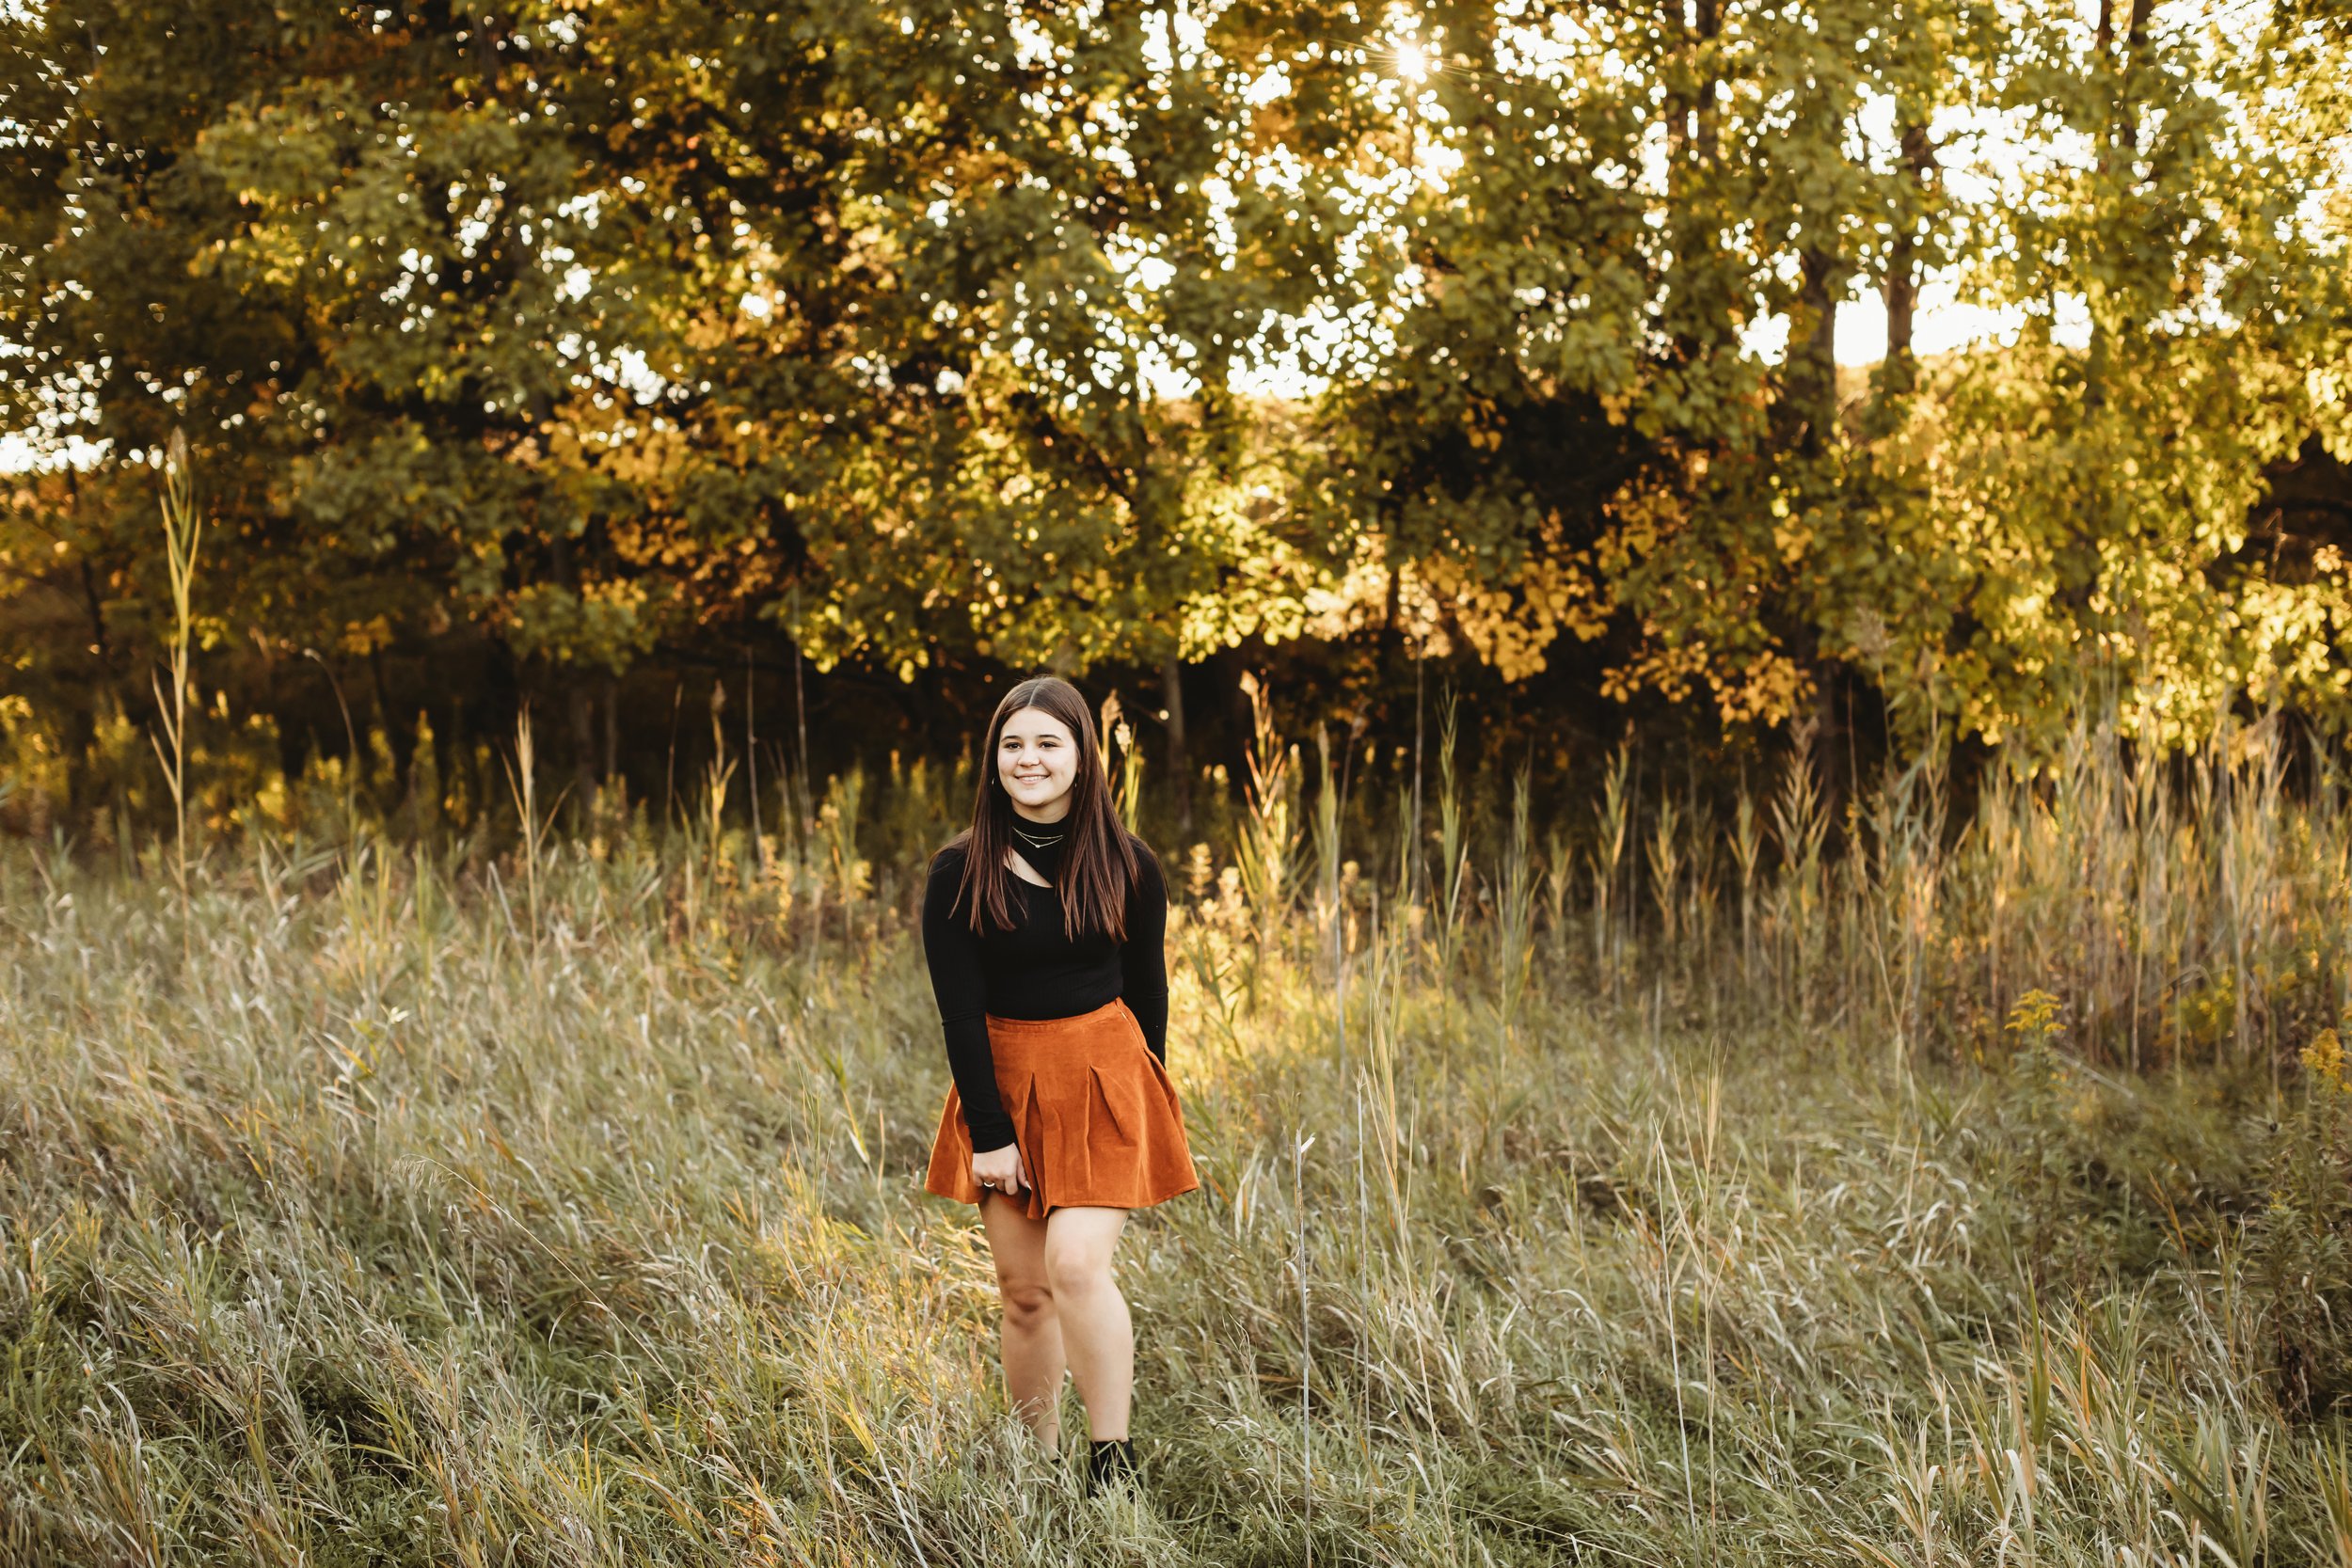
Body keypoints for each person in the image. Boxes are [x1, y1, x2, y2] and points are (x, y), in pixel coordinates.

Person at [918, 673, 1200, 1497]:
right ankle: (1033, 1462)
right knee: (1027, 1293)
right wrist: (991, 1133)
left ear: (1082, 755)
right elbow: (960, 1017)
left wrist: (1143, 1097)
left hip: (1106, 1075)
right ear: (993, 758)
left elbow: (1150, 992)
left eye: (1048, 742)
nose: (1029, 758)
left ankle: (1111, 1463)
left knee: (1076, 1265)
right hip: (1002, 1082)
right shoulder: (959, 872)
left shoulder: (1128, 863)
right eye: (1013, 744)